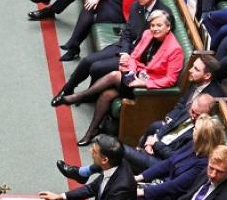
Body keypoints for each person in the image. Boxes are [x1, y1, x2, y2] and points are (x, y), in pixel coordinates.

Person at [59, 9, 184, 144]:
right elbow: (134, 56)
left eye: (159, 25)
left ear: (168, 27)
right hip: (135, 75)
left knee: (114, 75)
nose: (154, 29)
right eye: (152, 25)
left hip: (148, 89)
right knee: (107, 95)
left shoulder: (175, 49)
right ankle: (91, 132)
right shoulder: (147, 34)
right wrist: (132, 72)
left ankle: (80, 96)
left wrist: (143, 83)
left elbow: (170, 80)